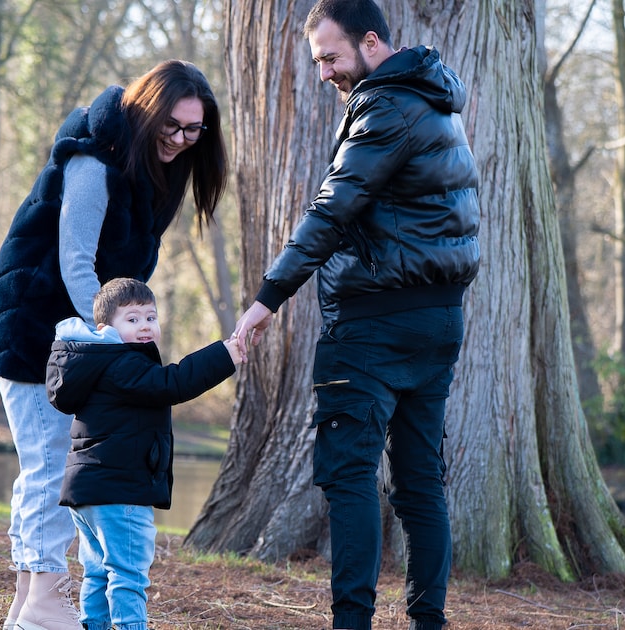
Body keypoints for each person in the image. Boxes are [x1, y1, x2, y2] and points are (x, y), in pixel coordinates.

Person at [231, 1, 480, 629]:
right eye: (318, 62)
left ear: (371, 43)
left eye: (330, 57)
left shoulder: (385, 107)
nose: (324, 73)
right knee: (420, 482)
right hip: (438, 322)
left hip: (374, 325)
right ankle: (427, 623)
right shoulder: (434, 101)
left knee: (349, 475)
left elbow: (332, 210)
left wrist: (267, 299)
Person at [0, 60, 228, 630]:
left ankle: (28, 605)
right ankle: (44, 598)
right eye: (172, 125)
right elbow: (77, 264)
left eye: (194, 130)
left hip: (76, 343)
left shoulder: (150, 172)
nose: (181, 139)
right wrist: (117, 339)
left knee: (51, 464)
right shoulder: (93, 160)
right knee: (51, 466)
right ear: (148, 111)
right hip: (33, 333)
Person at [46, 277, 243, 630]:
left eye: (151, 317)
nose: (145, 327)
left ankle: (94, 625)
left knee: (98, 571)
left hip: (88, 490)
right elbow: (173, 383)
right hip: (120, 491)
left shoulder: (95, 364)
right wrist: (223, 355)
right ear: (106, 328)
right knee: (128, 574)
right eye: (133, 319)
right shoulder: (122, 364)